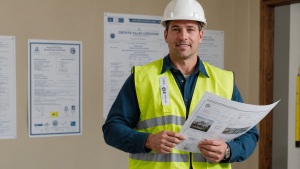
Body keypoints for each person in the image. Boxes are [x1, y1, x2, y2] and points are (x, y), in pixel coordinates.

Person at [102, 0, 259, 168]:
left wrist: (228, 150)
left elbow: (249, 134)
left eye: (190, 29)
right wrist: (147, 140)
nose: (183, 36)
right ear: (166, 36)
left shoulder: (224, 81)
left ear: (200, 36)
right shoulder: (141, 78)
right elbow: (112, 129)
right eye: (176, 29)